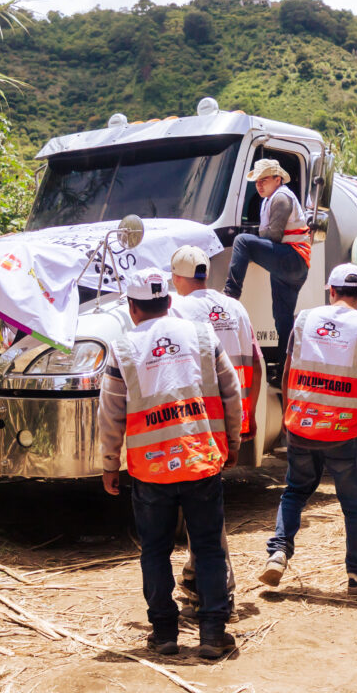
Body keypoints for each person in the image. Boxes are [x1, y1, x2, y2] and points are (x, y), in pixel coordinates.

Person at [99, 268, 244, 659]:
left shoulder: (123, 348)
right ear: (168, 301)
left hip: (150, 470)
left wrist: (110, 463)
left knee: (155, 551)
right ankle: (213, 633)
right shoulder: (201, 335)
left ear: (132, 308)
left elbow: (110, 413)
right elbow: (232, 391)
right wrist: (233, 442)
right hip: (199, 461)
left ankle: (164, 633)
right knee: (209, 548)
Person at [258, 263, 357, 597]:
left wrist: (293, 414)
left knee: (295, 491)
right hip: (343, 432)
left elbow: (289, 369)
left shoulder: (304, 320)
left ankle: (278, 553)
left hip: (302, 425)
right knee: (355, 505)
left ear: (330, 292)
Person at [168, 245, 263, 618]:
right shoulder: (235, 307)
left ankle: (221, 587)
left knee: (202, 504)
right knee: (204, 501)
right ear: (206, 274)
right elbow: (254, 360)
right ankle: (194, 579)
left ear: (178, 278)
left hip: (197, 419)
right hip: (230, 416)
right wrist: (249, 413)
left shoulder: (178, 308)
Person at [223, 158, 311, 358]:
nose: (259, 184)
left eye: (264, 179)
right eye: (257, 180)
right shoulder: (270, 200)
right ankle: (285, 366)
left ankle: (230, 294)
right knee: (282, 320)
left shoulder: (281, 198)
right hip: (295, 265)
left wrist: (253, 239)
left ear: (278, 179)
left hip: (292, 258)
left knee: (242, 241)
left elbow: (273, 236)